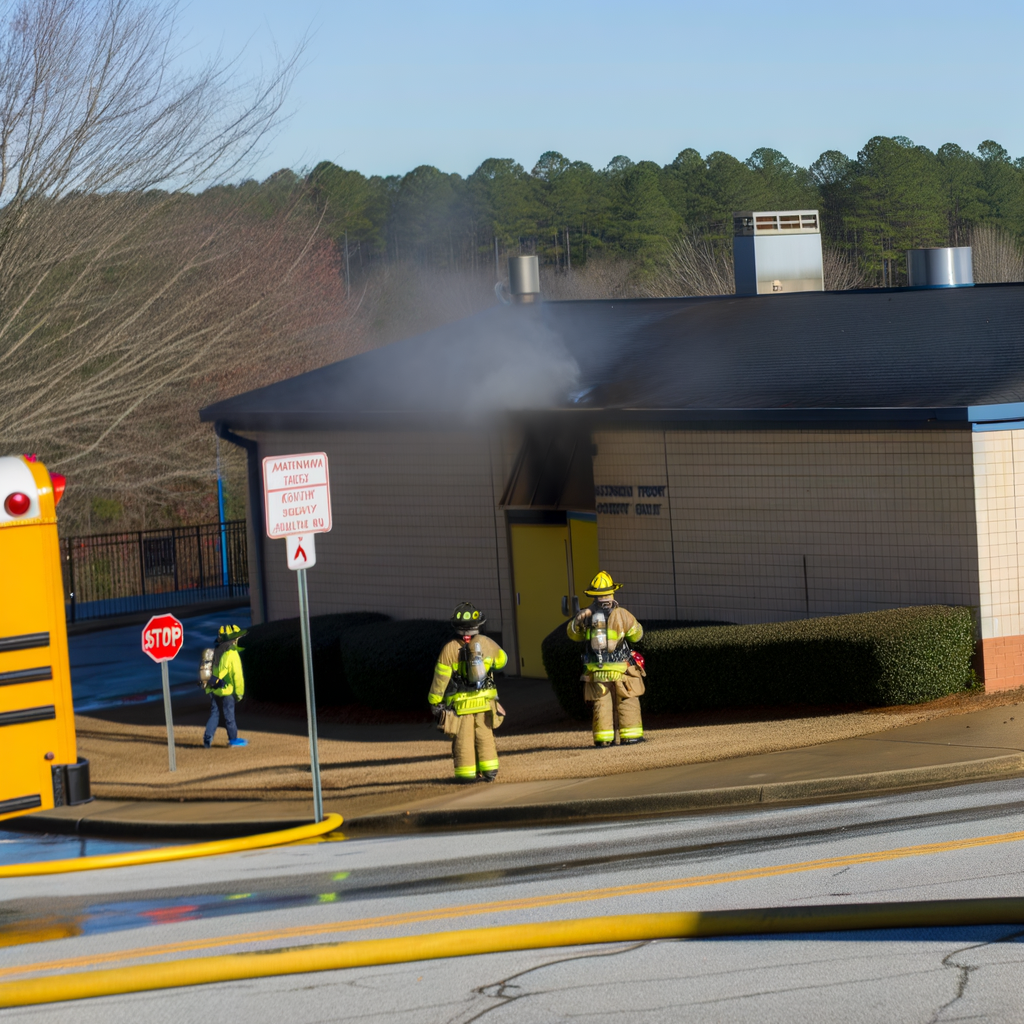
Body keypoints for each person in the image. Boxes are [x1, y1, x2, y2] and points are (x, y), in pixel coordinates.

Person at [428, 602, 508, 782]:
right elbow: (502, 661)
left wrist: (434, 701)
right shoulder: (487, 644)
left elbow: (440, 680)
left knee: (463, 741)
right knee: (485, 737)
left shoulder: (449, 649)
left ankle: (466, 775)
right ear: (479, 624)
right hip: (485, 705)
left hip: (461, 708)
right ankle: (490, 771)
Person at [568, 571, 646, 747]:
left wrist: (577, 620)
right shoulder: (623, 614)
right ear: (612, 593)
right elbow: (637, 636)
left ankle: (603, 739)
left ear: (593, 596)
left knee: (601, 704)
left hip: (596, 670)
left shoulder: (586, 616)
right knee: (627, 700)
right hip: (621, 669)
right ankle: (631, 736)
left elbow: (573, 635)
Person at [203, 624, 248, 748]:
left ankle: (208, 737)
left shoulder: (217, 650)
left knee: (214, 714)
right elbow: (237, 677)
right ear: (233, 639)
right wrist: (239, 694)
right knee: (229, 717)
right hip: (227, 691)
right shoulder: (232, 653)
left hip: (213, 688)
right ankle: (233, 741)